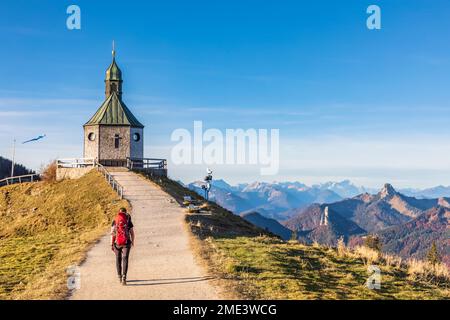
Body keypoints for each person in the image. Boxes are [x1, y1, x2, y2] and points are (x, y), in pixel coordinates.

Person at [111, 208, 135, 285]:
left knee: (118, 259)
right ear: (126, 212)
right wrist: (132, 241)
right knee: (125, 258)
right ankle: (124, 277)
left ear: (119, 212)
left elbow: (112, 233)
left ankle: (119, 277)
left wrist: (111, 244)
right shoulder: (128, 220)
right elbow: (132, 233)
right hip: (126, 242)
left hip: (117, 243)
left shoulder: (115, 220)